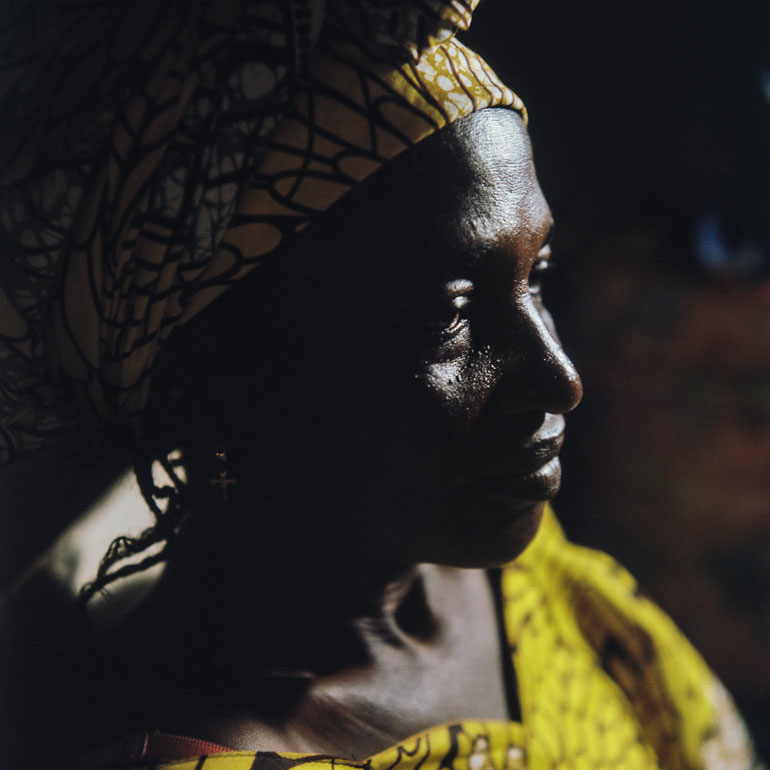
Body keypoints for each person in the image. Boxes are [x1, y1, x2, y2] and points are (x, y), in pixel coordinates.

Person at [0, 2, 762, 768]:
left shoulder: (490, 566)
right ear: (218, 385)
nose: (561, 381)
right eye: (451, 319)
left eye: (540, 277)